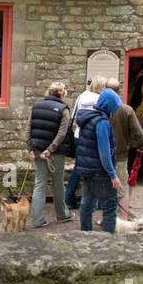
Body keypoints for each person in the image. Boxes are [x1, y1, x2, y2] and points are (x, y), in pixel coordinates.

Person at [72, 88, 123, 233]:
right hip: (100, 172)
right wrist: (112, 175)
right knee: (110, 206)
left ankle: (86, 234)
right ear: (110, 107)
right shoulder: (102, 123)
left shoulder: (88, 119)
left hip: (86, 169)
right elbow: (104, 152)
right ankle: (107, 240)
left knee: (87, 205)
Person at [25, 81, 73, 227]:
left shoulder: (36, 106)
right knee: (58, 184)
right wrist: (50, 149)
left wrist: (30, 149)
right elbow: (62, 133)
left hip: (38, 150)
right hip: (55, 153)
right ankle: (62, 214)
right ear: (62, 94)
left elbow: (28, 129)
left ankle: (37, 220)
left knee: (40, 184)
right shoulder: (64, 110)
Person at [63, 76, 106, 210]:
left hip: (79, 135)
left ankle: (69, 198)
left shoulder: (82, 96)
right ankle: (95, 201)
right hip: (93, 137)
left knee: (78, 167)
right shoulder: (101, 100)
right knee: (95, 168)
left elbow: (74, 117)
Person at [105, 79, 143, 221]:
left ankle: (105, 218)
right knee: (122, 189)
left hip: (104, 155)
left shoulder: (101, 109)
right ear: (119, 91)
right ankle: (123, 217)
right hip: (121, 154)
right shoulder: (126, 110)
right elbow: (138, 132)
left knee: (106, 188)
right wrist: (138, 145)